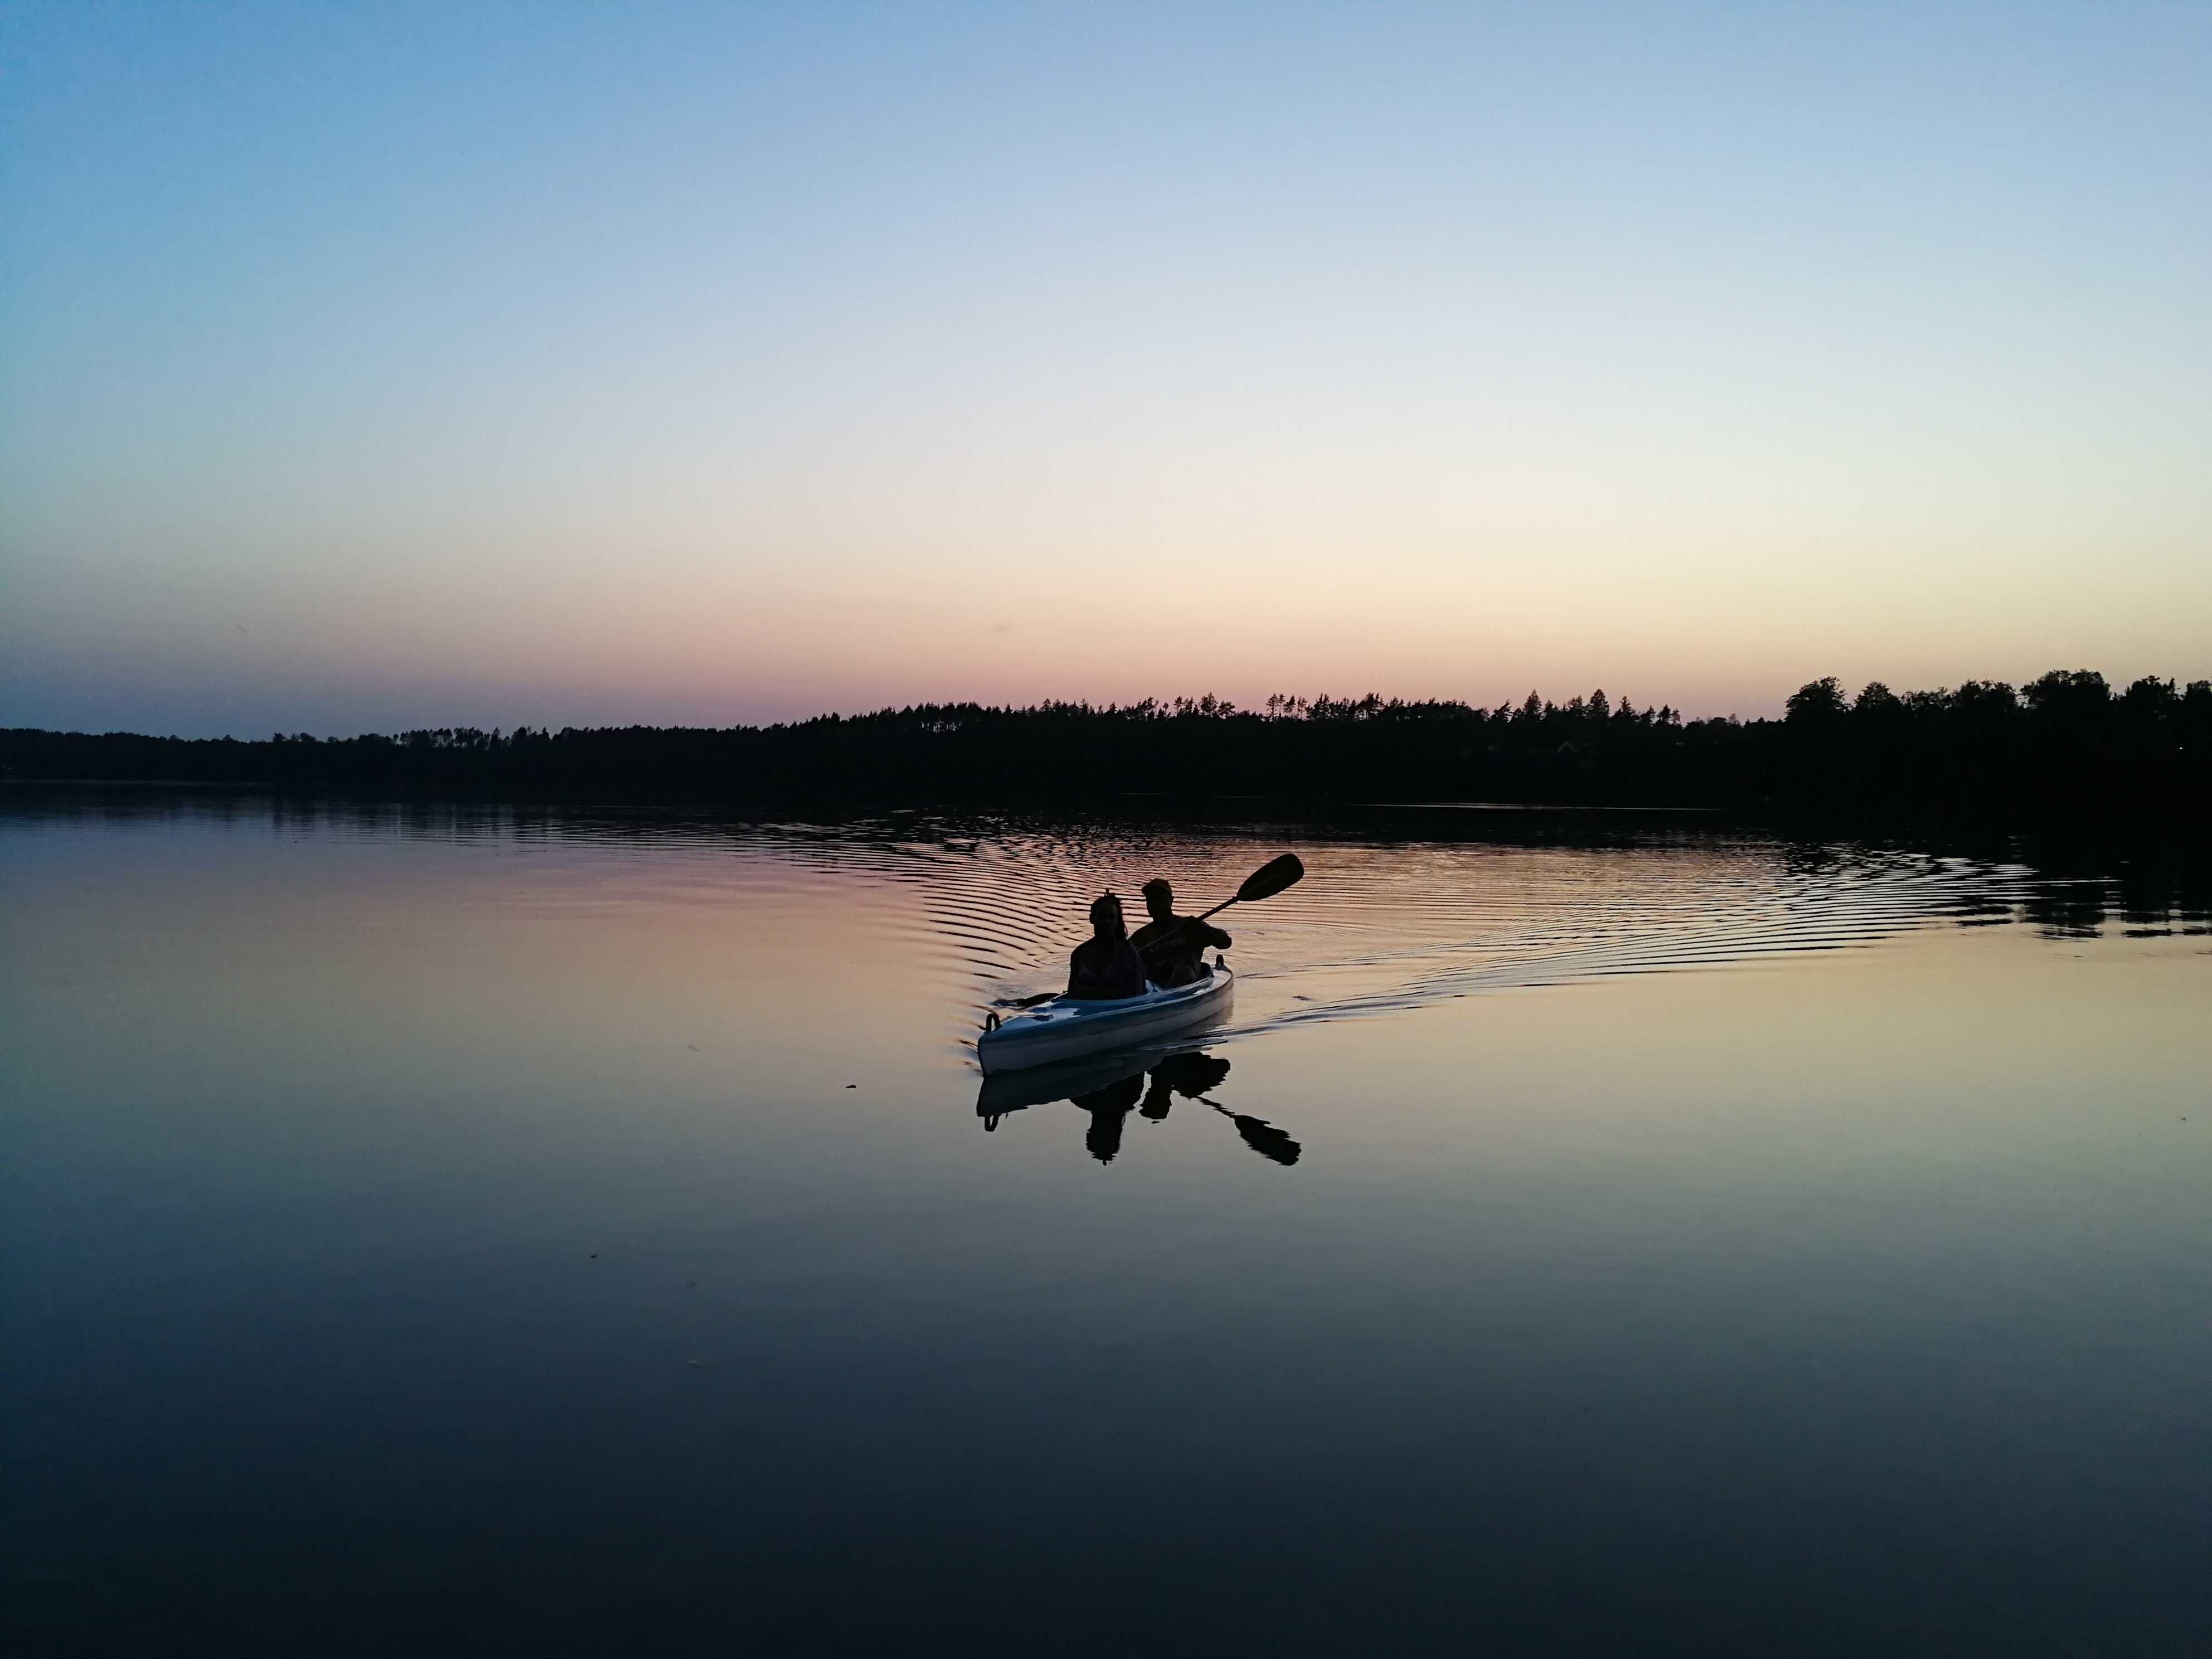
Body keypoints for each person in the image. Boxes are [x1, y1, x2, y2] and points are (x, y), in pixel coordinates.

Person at [1131, 878, 1231, 988]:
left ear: (1171, 900)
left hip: (1189, 985)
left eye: (1160, 898)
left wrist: (1203, 929)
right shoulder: (1140, 937)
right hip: (1154, 990)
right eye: (1150, 899)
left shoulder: (1191, 926)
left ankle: (1168, 999)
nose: (1155, 903)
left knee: (1182, 970)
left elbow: (1225, 943)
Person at [1066, 892, 1148, 1000]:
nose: (1107, 922)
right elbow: (1072, 993)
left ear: (1117, 921)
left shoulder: (1128, 952)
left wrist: (1089, 992)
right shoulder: (1079, 954)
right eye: (1102, 916)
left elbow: (1136, 994)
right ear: (1092, 919)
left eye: (1112, 917)